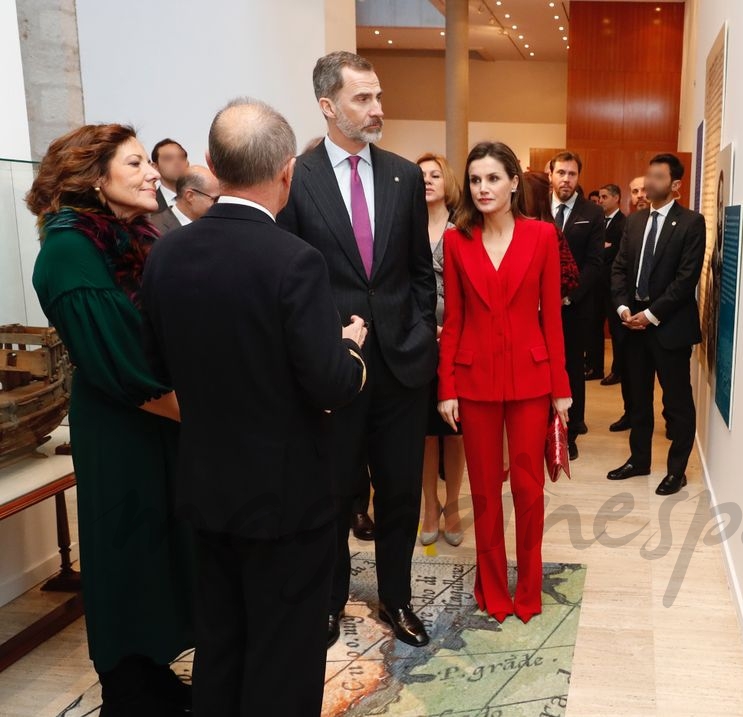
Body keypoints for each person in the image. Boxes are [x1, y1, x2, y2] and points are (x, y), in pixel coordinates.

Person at [141, 98, 368, 717]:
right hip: (286, 497)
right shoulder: (294, 261)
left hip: (206, 486)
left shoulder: (166, 255)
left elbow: (155, 368)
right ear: (288, 172)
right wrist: (349, 348)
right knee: (284, 652)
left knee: (220, 642)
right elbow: (330, 385)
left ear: (210, 165)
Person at [26, 124, 194, 716]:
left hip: (159, 420)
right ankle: (129, 692)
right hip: (124, 426)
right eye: (136, 163)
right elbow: (124, 369)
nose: (154, 173)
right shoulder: (71, 250)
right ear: (95, 180)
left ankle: (153, 675)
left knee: (161, 548)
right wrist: (210, 420)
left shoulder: (133, 236)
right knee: (127, 551)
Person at [277, 51, 436, 649]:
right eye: (362, 99)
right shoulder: (298, 177)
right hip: (332, 367)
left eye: (378, 96)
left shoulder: (401, 174)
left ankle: (397, 597)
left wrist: (419, 331)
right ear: (328, 106)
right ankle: (330, 599)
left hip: (401, 365)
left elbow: (420, 272)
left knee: (400, 492)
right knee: (334, 493)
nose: (377, 109)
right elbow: (288, 277)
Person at [438, 141, 571, 623]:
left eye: (493, 178)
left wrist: (562, 388)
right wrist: (446, 386)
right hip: (473, 383)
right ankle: (491, 586)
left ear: (514, 182)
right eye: (475, 180)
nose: (483, 188)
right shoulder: (456, 240)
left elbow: (553, 319)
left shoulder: (541, 236)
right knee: (486, 492)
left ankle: (529, 588)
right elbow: (453, 319)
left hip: (532, 380)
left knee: (530, 490)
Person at [608, 153, 705, 496]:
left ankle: (676, 471)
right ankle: (639, 460)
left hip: (669, 328)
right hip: (631, 326)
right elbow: (619, 268)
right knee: (638, 399)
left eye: (658, 177)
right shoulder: (634, 222)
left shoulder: (692, 223)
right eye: (648, 175)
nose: (649, 183)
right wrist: (622, 308)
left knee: (677, 404)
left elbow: (685, 279)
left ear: (675, 185)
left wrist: (650, 315)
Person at [416, 152, 465, 547]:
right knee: (425, 432)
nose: (428, 180)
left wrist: (452, 328)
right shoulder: (405, 227)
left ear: (447, 181)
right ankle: (428, 505)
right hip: (416, 342)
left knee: (454, 429)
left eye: (435, 174)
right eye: (421, 176)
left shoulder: (463, 228)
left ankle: (452, 504)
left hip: (459, 340)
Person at [549, 151, 603, 460]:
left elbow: (596, 265)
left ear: (578, 177)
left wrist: (568, 296)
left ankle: (570, 435)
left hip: (574, 307)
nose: (566, 179)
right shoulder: (536, 208)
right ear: (551, 174)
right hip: (537, 309)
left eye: (572, 174)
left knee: (570, 369)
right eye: (561, 173)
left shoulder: (591, 213)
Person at [592, 183, 627, 387]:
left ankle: (618, 370)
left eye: (605, 197)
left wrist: (601, 250)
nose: (601, 200)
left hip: (613, 286)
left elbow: (614, 254)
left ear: (616, 198)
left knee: (616, 331)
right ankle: (595, 367)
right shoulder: (599, 221)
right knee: (594, 326)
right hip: (597, 285)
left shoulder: (623, 224)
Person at [149, 165, 219, 234]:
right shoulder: (154, 229)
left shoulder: (214, 226)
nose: (217, 204)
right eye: (214, 199)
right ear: (190, 196)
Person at [150, 138, 189, 211]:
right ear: (155, 167)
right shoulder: (148, 205)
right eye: (169, 159)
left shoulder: (203, 197)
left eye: (182, 157)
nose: (177, 162)